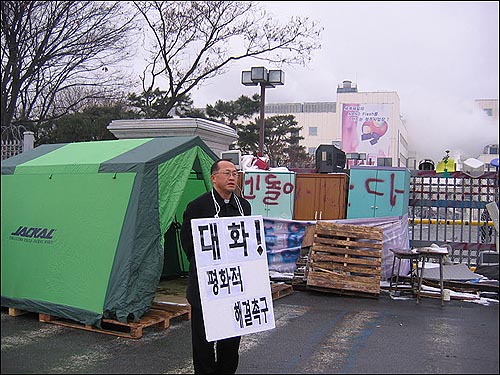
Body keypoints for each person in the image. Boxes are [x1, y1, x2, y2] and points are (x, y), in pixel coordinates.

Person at [180, 159, 252, 374]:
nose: (232, 177)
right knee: (203, 342)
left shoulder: (243, 206)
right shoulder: (198, 206)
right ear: (213, 177)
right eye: (227, 173)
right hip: (206, 287)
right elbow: (188, 244)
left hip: (234, 286)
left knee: (231, 341)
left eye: (235, 173)